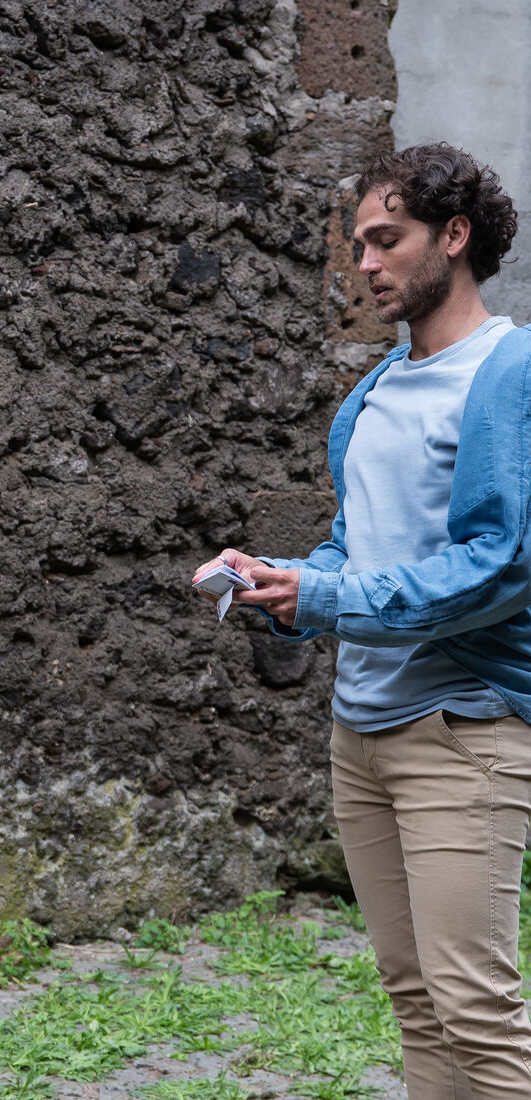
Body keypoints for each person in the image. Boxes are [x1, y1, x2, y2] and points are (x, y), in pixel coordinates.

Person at [193, 143, 531, 1098]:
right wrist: (283, 580)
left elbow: (502, 565)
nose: (366, 265)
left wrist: (332, 598)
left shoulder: (509, 373)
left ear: (455, 237)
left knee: (475, 1004)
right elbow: (359, 550)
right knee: (414, 996)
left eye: (387, 241)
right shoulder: (372, 393)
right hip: (364, 733)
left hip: (466, 729)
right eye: (360, 245)